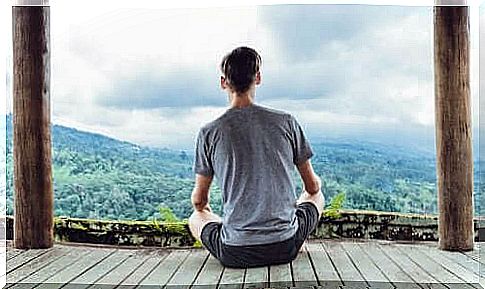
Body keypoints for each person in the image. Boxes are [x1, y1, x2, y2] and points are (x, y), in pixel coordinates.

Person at [188, 46, 325, 268]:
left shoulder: (209, 132)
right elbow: (312, 187)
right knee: (317, 197)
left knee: (196, 217)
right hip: (285, 245)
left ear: (224, 82)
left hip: (235, 252)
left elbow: (199, 201)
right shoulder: (287, 122)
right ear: (258, 78)